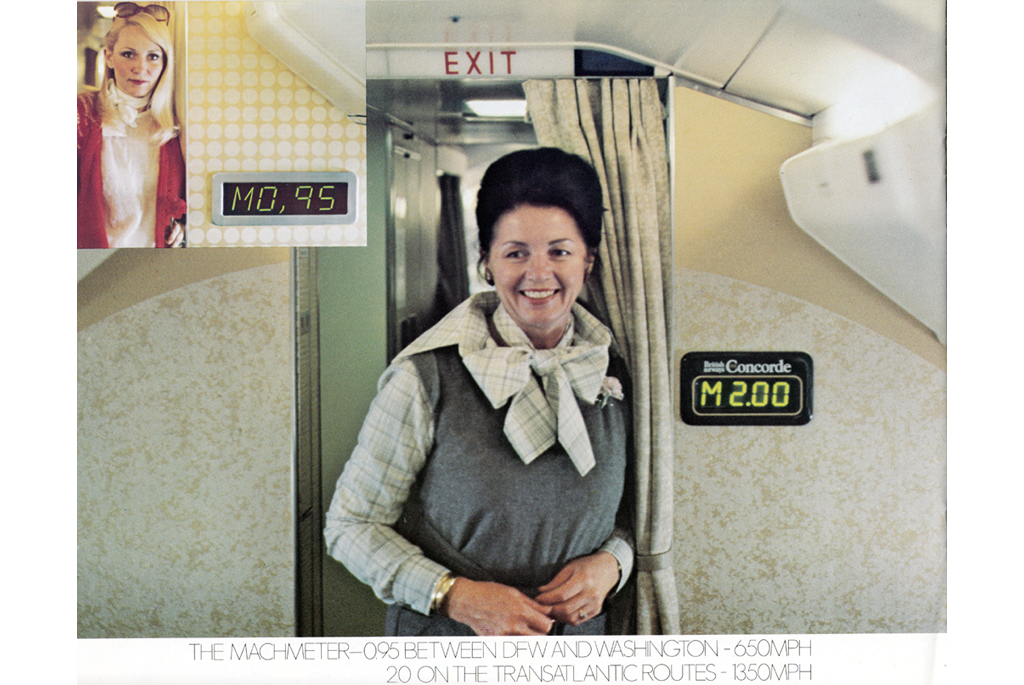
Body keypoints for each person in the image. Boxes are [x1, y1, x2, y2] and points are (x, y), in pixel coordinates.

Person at [325, 147, 633, 636]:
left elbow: (632, 514)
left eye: (560, 251)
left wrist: (613, 563)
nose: (538, 273)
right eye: (516, 252)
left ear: (588, 261)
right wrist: (454, 595)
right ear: (486, 262)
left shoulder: (615, 369)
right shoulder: (425, 376)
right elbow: (350, 527)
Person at [78, 3, 186, 248]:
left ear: (165, 63)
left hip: (152, 262)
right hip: (92, 261)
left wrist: (186, 225)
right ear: (109, 56)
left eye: (153, 56)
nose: (140, 67)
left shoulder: (178, 122)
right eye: (129, 54)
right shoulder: (81, 113)